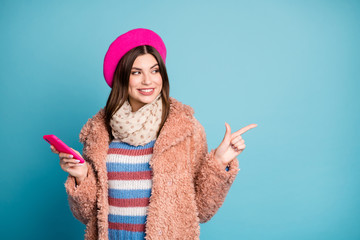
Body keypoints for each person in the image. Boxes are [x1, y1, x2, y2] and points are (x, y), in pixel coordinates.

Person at [50, 28, 257, 240]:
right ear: (122, 78)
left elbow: (202, 210)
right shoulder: (99, 132)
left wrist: (219, 162)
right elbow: (88, 215)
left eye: (155, 70)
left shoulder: (185, 128)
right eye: (136, 72)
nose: (148, 81)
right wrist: (81, 175)